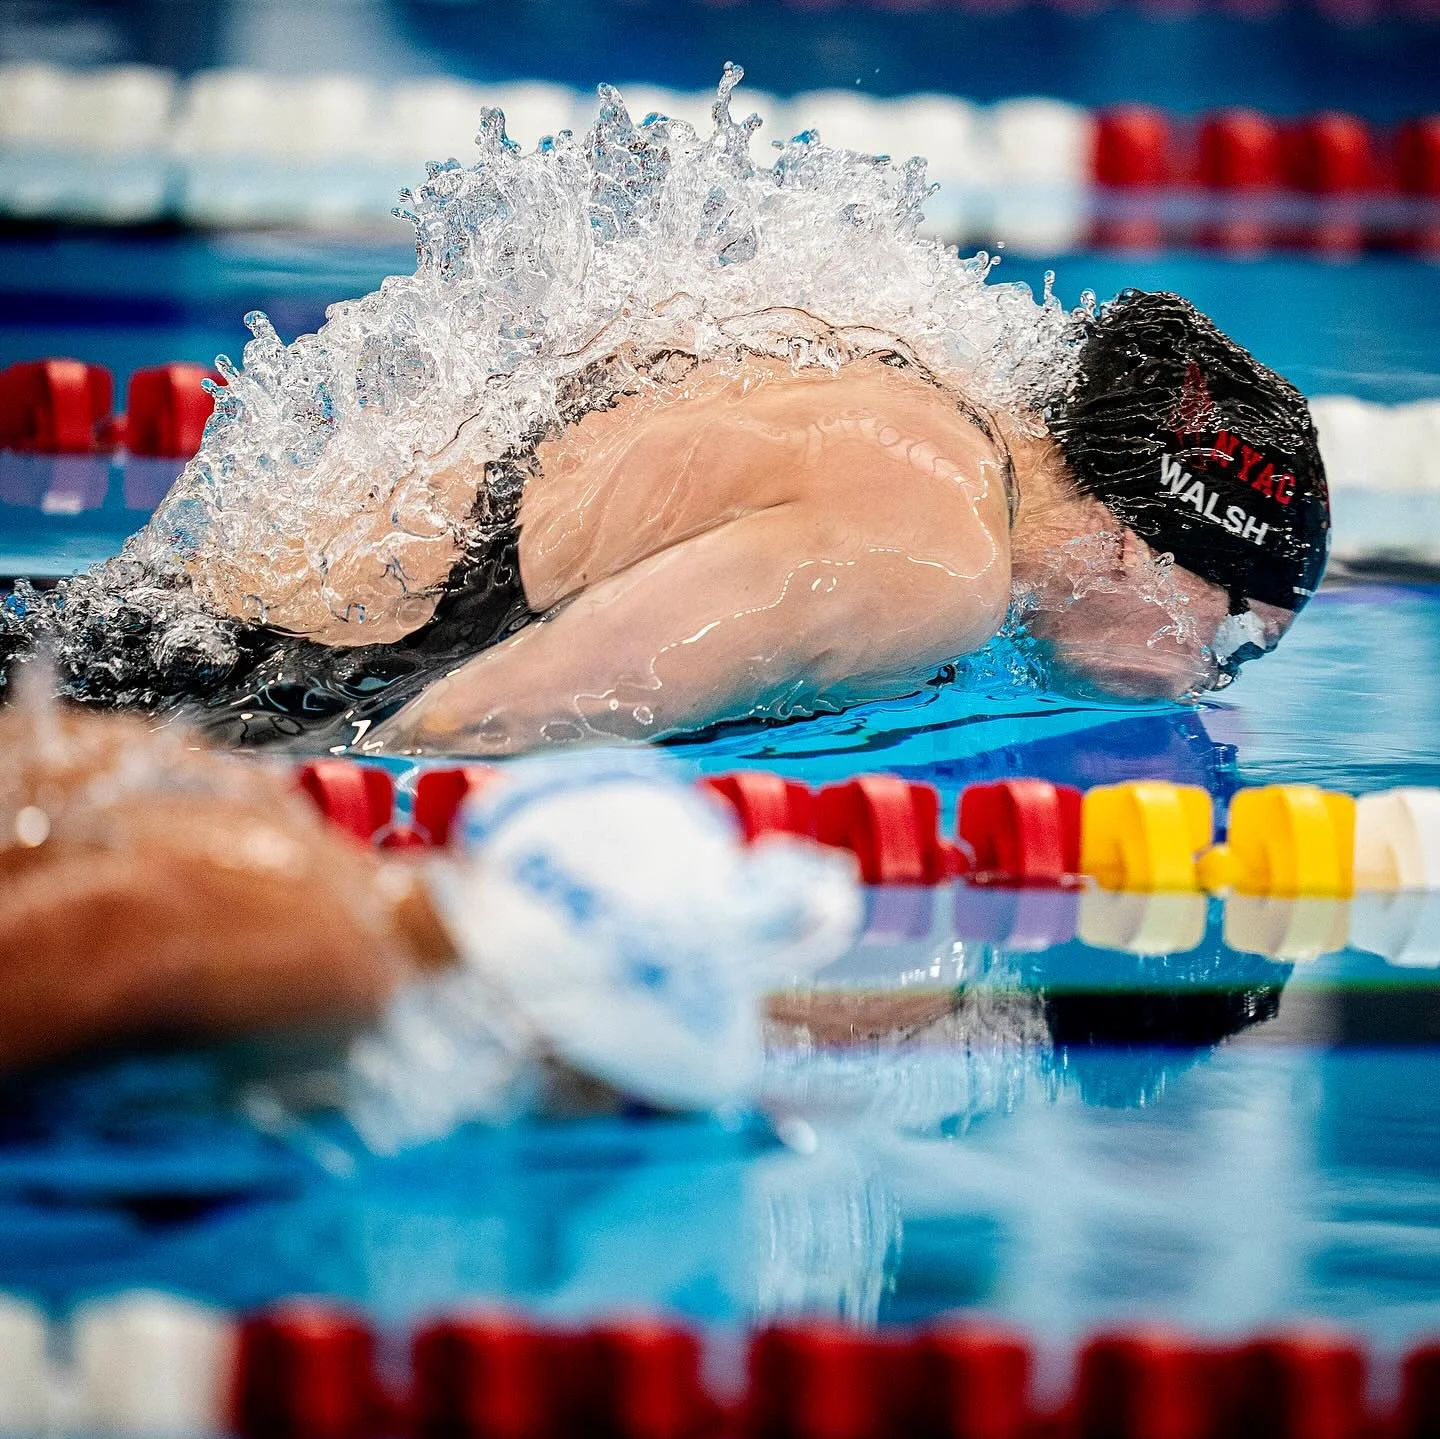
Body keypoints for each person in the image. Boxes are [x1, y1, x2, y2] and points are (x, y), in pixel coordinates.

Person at [136, 289, 1325, 755]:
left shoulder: (926, 416)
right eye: (1227, 638)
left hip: (200, 648)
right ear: (1141, 543)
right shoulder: (927, 554)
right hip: (232, 707)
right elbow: (459, 732)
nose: (1196, 685)